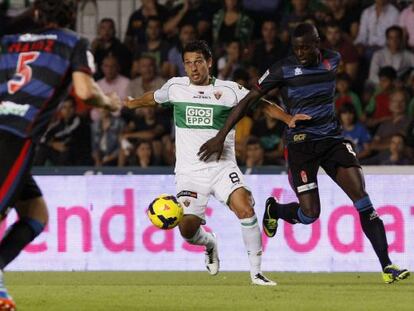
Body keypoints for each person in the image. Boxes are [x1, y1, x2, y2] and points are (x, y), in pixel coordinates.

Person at [198, 23, 410, 284]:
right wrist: (220, 137)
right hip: (301, 145)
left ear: (317, 43)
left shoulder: (333, 60)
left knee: (363, 201)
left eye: (306, 47)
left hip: (332, 141)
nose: (301, 53)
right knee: (310, 215)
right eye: (296, 48)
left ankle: (387, 266)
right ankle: (274, 210)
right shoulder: (283, 69)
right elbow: (250, 100)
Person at [125, 40, 307, 285]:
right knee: (187, 229)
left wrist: (288, 118)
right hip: (190, 173)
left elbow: (261, 104)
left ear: (209, 62)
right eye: (188, 63)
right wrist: (132, 102)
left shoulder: (229, 90)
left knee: (245, 207)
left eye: (198, 62)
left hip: (222, 167)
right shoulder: (176, 87)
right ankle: (209, 243)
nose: (194, 68)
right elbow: (153, 98)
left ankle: (256, 272)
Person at [0, 0, 121, 308]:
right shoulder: (73, 42)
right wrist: (109, 102)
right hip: (15, 136)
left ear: (37, 13)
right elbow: (83, 91)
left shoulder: (9, 40)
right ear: (72, 17)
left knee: (35, 212)